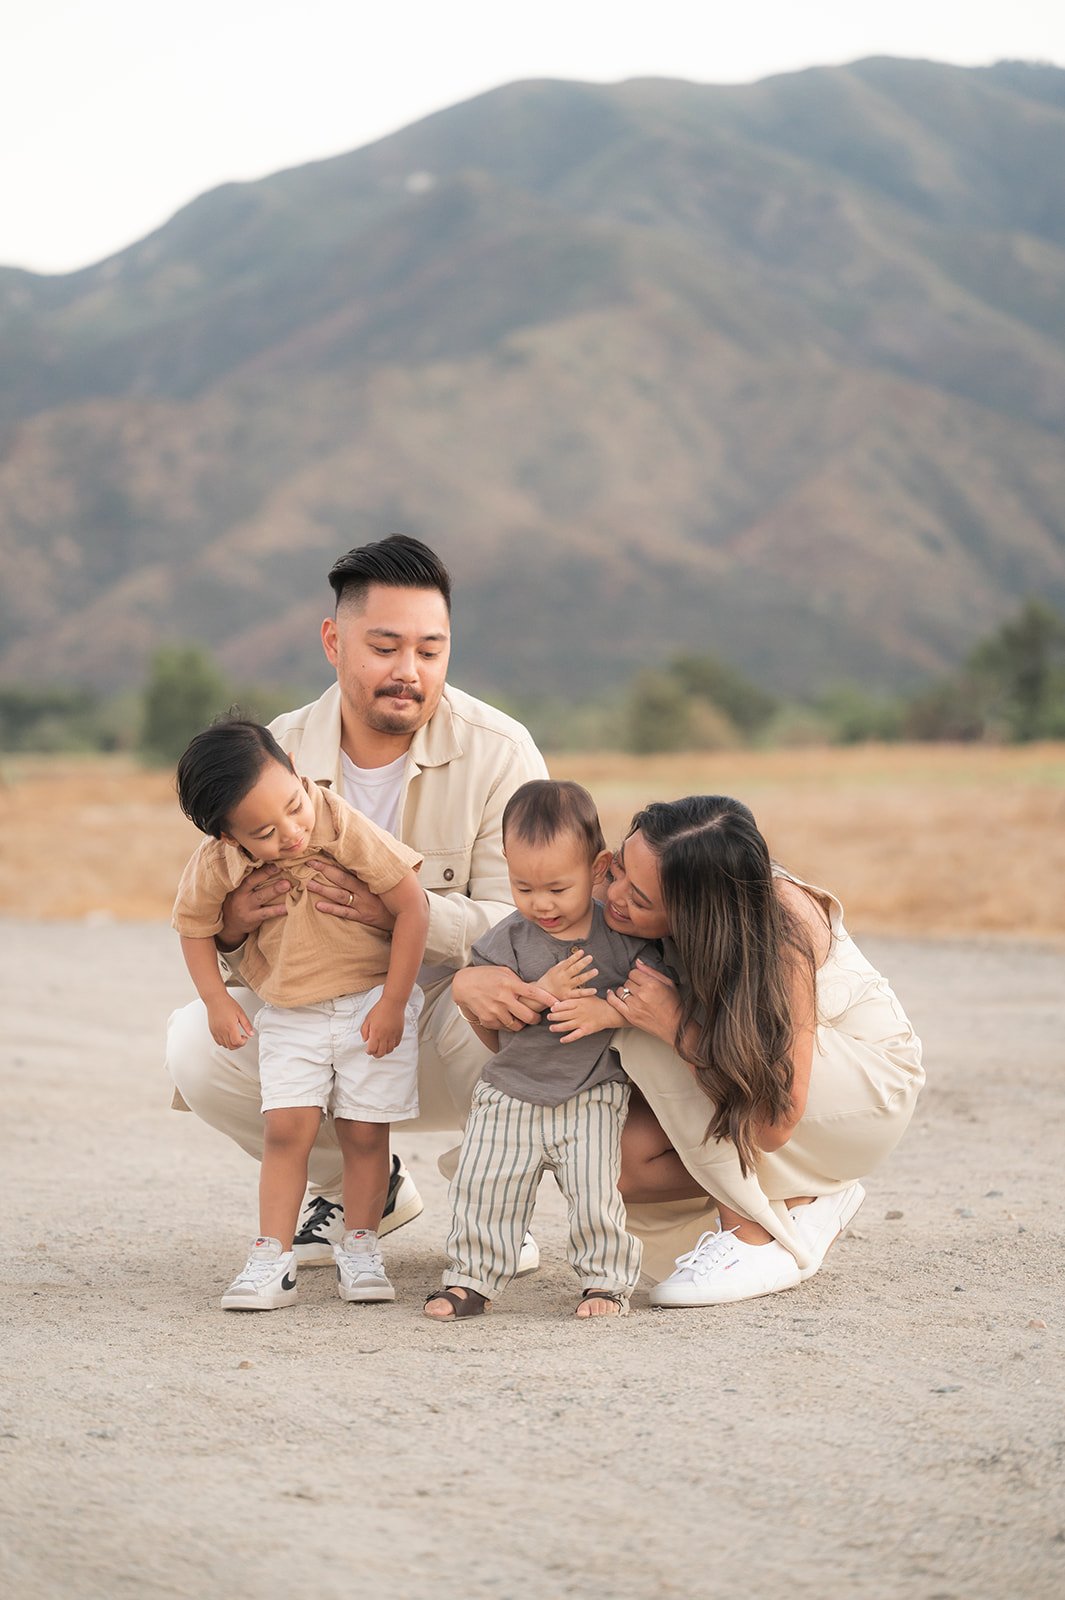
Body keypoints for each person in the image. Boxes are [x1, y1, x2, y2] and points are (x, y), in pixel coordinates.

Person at [165, 536, 549, 1271]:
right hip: (318, 1020)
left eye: (430, 651)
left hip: (446, 1024)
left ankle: (494, 1198)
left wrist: (403, 914)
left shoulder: (501, 752)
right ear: (333, 642)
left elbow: (533, 925)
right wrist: (233, 928)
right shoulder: (270, 754)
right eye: (384, 647)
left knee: (513, 996)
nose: (409, 671)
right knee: (194, 1044)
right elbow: (213, 906)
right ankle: (359, 1192)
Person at [586, 795, 924, 1304]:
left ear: (696, 912)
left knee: (639, 1013)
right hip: (754, 1077)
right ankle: (801, 1198)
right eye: (618, 869)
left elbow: (773, 1122)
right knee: (611, 1164)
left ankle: (751, 1235)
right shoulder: (628, 888)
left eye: (640, 897)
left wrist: (675, 1026)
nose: (614, 896)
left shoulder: (781, 930)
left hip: (861, 1091)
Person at [173, 719, 428, 1310]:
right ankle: (272, 1258)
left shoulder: (339, 821)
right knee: (286, 1129)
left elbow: (413, 906)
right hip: (290, 1011)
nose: (291, 832)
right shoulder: (217, 861)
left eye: (293, 806)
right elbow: (193, 926)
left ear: (293, 765)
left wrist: (394, 1002)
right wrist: (216, 1000)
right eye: (264, 832)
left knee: (365, 1132)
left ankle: (360, 1248)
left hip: (369, 1001)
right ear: (228, 835)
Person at [426, 780, 663, 1321]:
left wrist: (608, 1011)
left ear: (597, 868)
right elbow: (493, 1023)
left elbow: (657, 992)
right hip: (510, 1090)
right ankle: (471, 1280)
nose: (541, 904)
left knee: (595, 1192)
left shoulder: (621, 937)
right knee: (485, 1186)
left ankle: (605, 1283)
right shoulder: (506, 940)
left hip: (591, 1092)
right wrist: (540, 993)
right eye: (523, 887)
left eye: (558, 887)